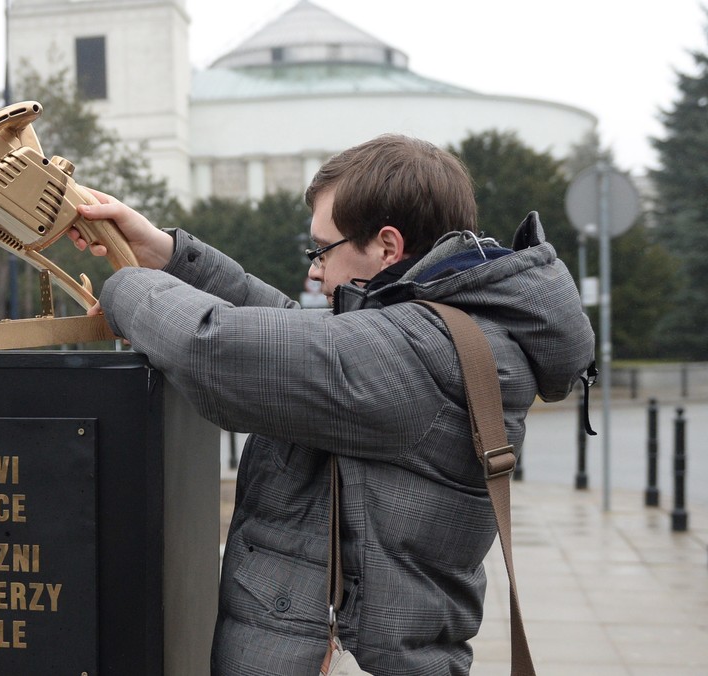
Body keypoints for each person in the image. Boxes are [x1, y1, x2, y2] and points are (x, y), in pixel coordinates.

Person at [69, 134, 595, 675]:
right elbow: (299, 334)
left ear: (388, 247)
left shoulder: (417, 354)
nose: (314, 271)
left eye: (322, 249)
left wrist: (127, 285)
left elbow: (215, 351)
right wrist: (171, 256)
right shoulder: (442, 329)